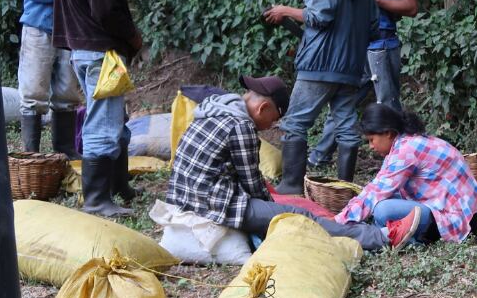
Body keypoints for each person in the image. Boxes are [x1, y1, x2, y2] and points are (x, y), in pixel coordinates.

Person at [166, 75, 392, 249]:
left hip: (184, 196)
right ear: (263, 108)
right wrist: (275, 209)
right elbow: (253, 185)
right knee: (299, 216)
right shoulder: (240, 126)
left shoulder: (212, 109)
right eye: (273, 119)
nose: (270, 126)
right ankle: (379, 237)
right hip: (214, 203)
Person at [265, 0, 377, 188]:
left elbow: (320, 16)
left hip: (319, 65)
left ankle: (290, 187)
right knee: (347, 127)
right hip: (351, 67)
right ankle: (343, 189)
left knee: (295, 123)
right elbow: (372, 23)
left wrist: (285, 11)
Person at [53, 0, 142, 217]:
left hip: (81, 49)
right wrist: (133, 37)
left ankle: (118, 186)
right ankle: (97, 200)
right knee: (102, 124)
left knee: (115, 118)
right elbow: (105, 11)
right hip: (99, 52)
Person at [309, 0, 418, 167]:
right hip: (357, 47)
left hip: (382, 45)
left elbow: (411, 7)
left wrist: (378, 1)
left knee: (389, 107)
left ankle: (399, 164)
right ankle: (317, 159)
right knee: (341, 102)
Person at [335, 103, 477, 248]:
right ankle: (392, 233)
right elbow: (378, 186)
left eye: (371, 140)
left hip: (456, 219)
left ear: (388, 133)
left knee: (382, 210)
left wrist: (339, 222)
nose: (371, 146)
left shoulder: (406, 150)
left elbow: (375, 193)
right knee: (379, 206)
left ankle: (401, 237)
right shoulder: (406, 143)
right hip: (458, 213)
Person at [14, 0, 83, 157]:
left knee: (67, 91)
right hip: (38, 28)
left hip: (66, 28)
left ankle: (64, 149)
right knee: (34, 90)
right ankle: (31, 154)